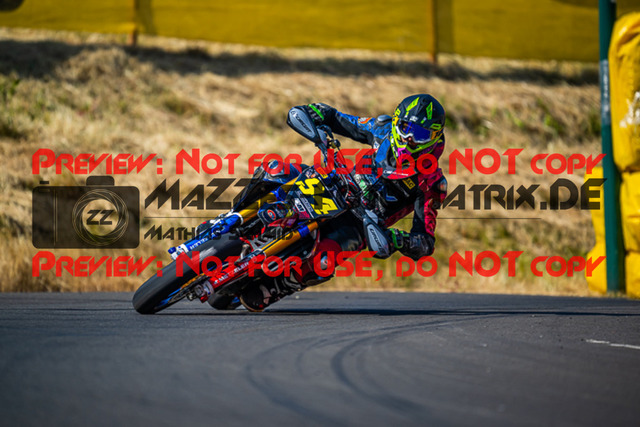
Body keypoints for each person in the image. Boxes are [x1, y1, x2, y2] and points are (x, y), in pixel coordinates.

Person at [236, 94, 448, 311]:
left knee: (323, 262)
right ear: (396, 122)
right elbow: (337, 118)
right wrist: (316, 113)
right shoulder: (381, 129)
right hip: (337, 185)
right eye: (406, 127)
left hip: (361, 224)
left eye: (421, 134)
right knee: (276, 170)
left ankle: (279, 286)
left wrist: (396, 238)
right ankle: (235, 217)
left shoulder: (432, 182)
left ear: (434, 137)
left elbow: (425, 242)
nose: (410, 138)